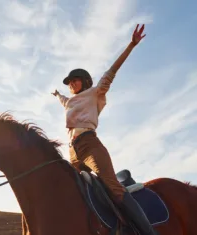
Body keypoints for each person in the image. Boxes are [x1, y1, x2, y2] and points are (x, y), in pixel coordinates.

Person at [51, 24, 158, 235]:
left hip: (90, 145)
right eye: (69, 82)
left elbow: (111, 72)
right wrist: (57, 95)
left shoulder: (94, 93)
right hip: (73, 151)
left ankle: (148, 233)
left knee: (113, 188)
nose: (71, 84)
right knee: (74, 190)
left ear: (86, 81)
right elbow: (64, 101)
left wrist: (131, 45)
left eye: (75, 80)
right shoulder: (70, 101)